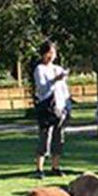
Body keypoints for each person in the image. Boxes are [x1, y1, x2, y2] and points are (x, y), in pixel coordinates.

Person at [33, 40, 71, 179]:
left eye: (53, 53)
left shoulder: (58, 68)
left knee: (58, 137)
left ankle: (55, 166)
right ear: (43, 54)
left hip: (60, 107)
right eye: (49, 53)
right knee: (45, 137)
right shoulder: (39, 69)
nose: (51, 56)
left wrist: (68, 106)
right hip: (47, 108)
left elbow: (64, 89)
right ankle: (39, 168)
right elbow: (42, 89)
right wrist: (54, 80)